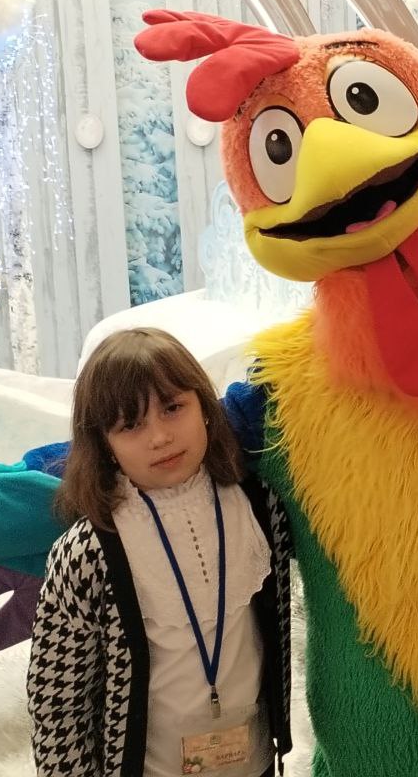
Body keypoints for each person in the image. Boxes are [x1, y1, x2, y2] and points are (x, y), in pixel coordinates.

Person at [27, 327, 291, 777]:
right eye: (131, 425)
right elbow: (57, 704)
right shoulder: (87, 553)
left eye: (173, 408)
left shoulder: (260, 508)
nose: (160, 437)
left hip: (256, 765)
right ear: (104, 444)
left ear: (204, 407)